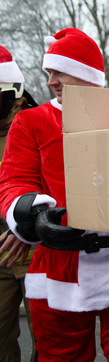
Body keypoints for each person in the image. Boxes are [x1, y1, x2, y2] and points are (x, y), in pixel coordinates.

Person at [0, 28, 109, 362]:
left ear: (85, 72)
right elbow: (15, 179)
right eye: (49, 73)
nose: (51, 81)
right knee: (62, 357)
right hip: (61, 264)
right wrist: (30, 212)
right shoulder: (32, 122)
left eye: (59, 71)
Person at [0, 45, 39, 362]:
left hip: (38, 249)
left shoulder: (35, 127)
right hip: (0, 254)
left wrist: (24, 227)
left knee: (49, 338)